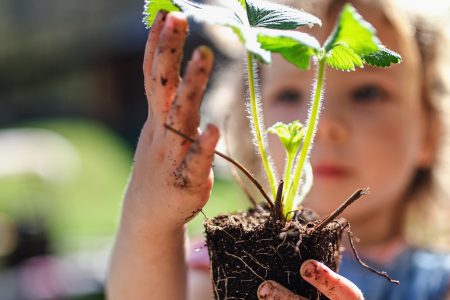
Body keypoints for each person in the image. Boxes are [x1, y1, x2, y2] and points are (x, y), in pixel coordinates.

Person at [106, 0, 450, 299]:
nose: (325, 124)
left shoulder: (439, 285)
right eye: (289, 95)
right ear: (250, 119)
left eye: (367, 93)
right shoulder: (225, 258)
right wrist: (150, 218)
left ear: (431, 132)